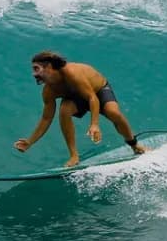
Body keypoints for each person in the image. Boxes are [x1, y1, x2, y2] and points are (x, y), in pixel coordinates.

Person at [14, 51, 147, 167]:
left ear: (48, 66)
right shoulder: (49, 90)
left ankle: (134, 145)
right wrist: (30, 141)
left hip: (98, 90)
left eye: (36, 69)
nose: (33, 74)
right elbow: (46, 118)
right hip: (75, 98)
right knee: (64, 110)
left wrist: (94, 124)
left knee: (113, 112)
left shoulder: (72, 73)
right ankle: (74, 156)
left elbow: (92, 98)